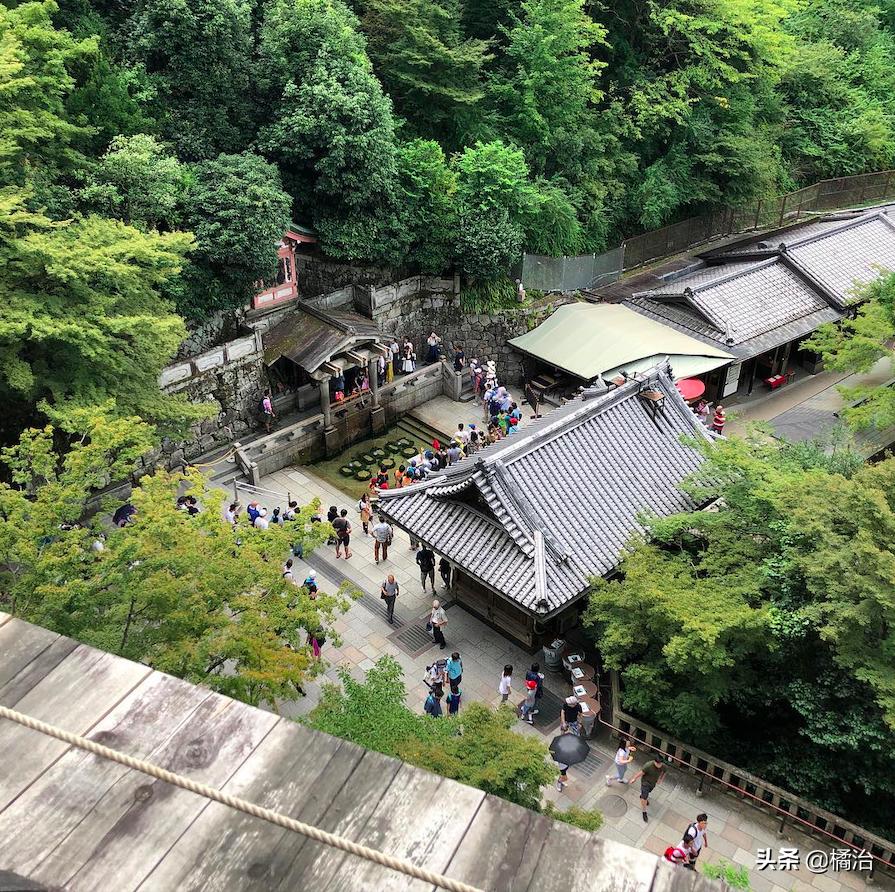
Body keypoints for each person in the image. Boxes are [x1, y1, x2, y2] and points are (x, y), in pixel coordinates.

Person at [629, 756, 665, 823]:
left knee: (646, 794)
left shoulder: (663, 766)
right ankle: (644, 812)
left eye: (660, 764)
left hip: (652, 784)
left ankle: (643, 796)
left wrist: (660, 779)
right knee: (644, 798)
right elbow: (641, 772)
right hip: (645, 783)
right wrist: (634, 778)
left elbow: (664, 772)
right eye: (658, 764)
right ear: (654, 762)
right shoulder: (648, 765)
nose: (659, 766)